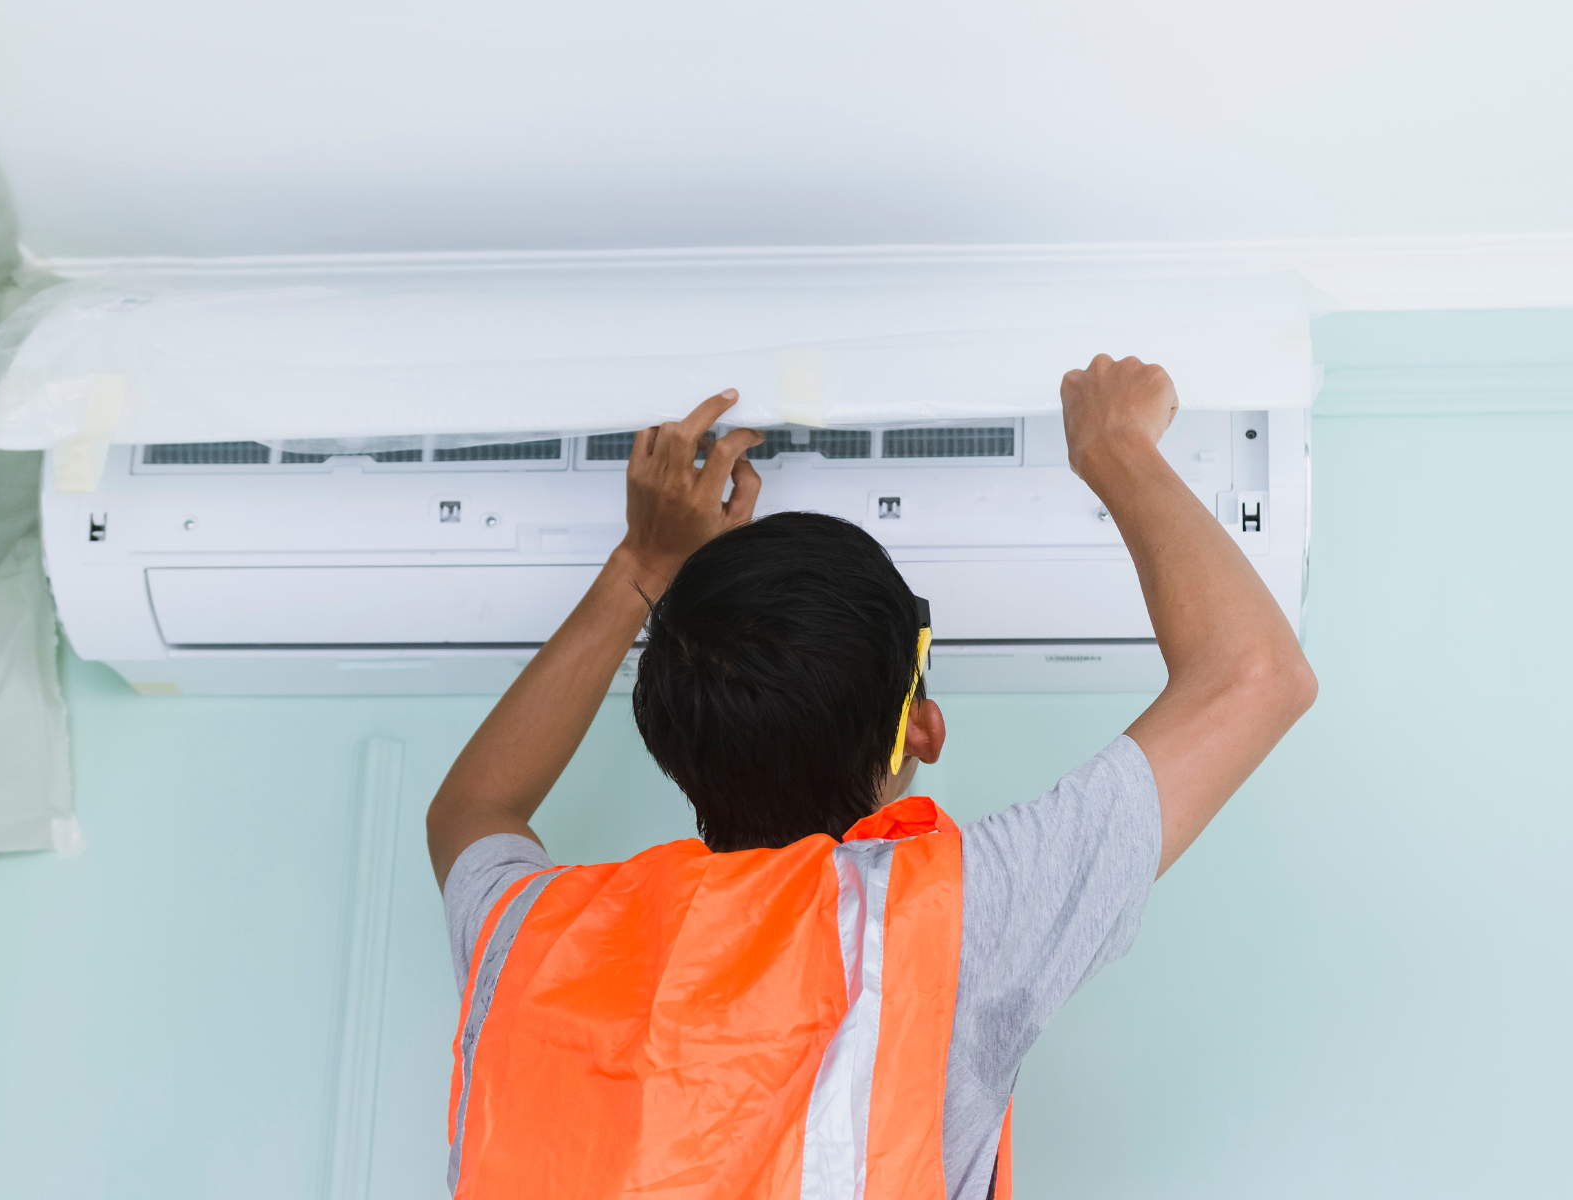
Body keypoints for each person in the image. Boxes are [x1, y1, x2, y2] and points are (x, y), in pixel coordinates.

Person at [427, 357, 1318, 1200]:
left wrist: (641, 568)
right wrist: (1115, 447)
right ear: (919, 731)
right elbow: (1256, 676)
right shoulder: (946, 924)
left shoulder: (537, 938)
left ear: (674, 751)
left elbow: (474, 807)